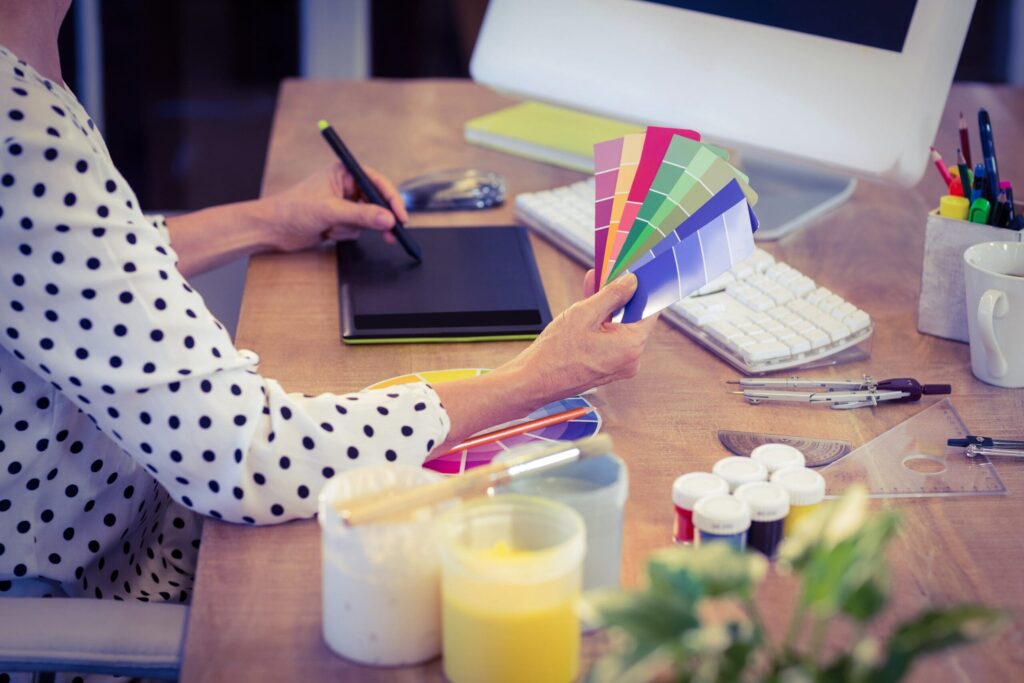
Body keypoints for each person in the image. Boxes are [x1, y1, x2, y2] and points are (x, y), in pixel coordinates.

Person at [0, 0, 655, 623]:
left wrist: (270, 219)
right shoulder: (17, 130)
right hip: (106, 585)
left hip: (150, 502)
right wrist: (534, 378)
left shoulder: (24, 67)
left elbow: (75, 269)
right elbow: (247, 451)